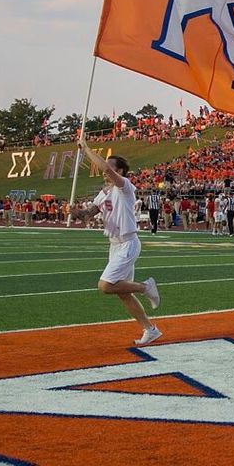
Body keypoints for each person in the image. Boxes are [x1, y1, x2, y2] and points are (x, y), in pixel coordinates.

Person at [79, 138, 161, 345]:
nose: (105, 170)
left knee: (106, 286)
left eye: (111, 167)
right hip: (114, 244)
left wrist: (87, 149)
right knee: (123, 293)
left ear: (120, 172)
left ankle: (145, 287)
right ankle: (150, 329)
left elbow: (105, 168)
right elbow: (89, 213)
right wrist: (78, 212)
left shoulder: (125, 187)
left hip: (128, 243)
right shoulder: (103, 193)